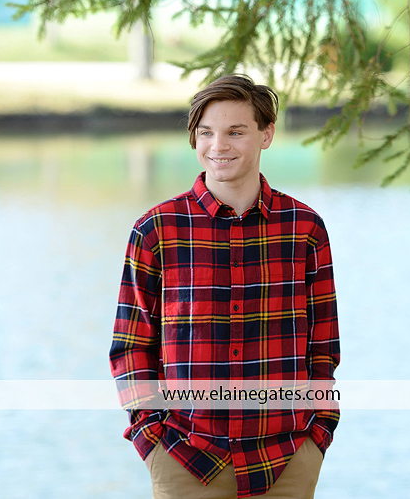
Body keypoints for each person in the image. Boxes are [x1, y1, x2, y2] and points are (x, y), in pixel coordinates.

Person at [110, 74, 340, 499]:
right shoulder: (156, 230)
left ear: (266, 134)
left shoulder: (304, 228)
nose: (219, 146)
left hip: (286, 459)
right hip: (184, 458)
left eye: (236, 132)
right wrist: (149, 437)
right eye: (206, 133)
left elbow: (323, 344)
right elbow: (131, 347)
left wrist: (319, 431)